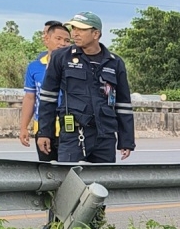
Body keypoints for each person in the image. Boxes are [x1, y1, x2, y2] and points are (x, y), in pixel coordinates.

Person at [36, 11, 135, 165]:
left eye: (81, 29)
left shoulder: (115, 63)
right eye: (74, 28)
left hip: (105, 137)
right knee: (70, 182)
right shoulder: (61, 57)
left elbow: (123, 104)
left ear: (95, 34)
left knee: (101, 184)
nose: (75, 33)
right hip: (73, 136)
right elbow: (48, 97)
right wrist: (44, 132)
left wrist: (126, 140)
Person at [19, 21, 71, 162]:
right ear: (46, 39)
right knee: (49, 172)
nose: (62, 43)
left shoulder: (74, 66)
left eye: (66, 40)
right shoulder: (35, 67)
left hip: (68, 128)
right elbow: (30, 98)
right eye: (58, 39)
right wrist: (23, 127)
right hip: (43, 128)